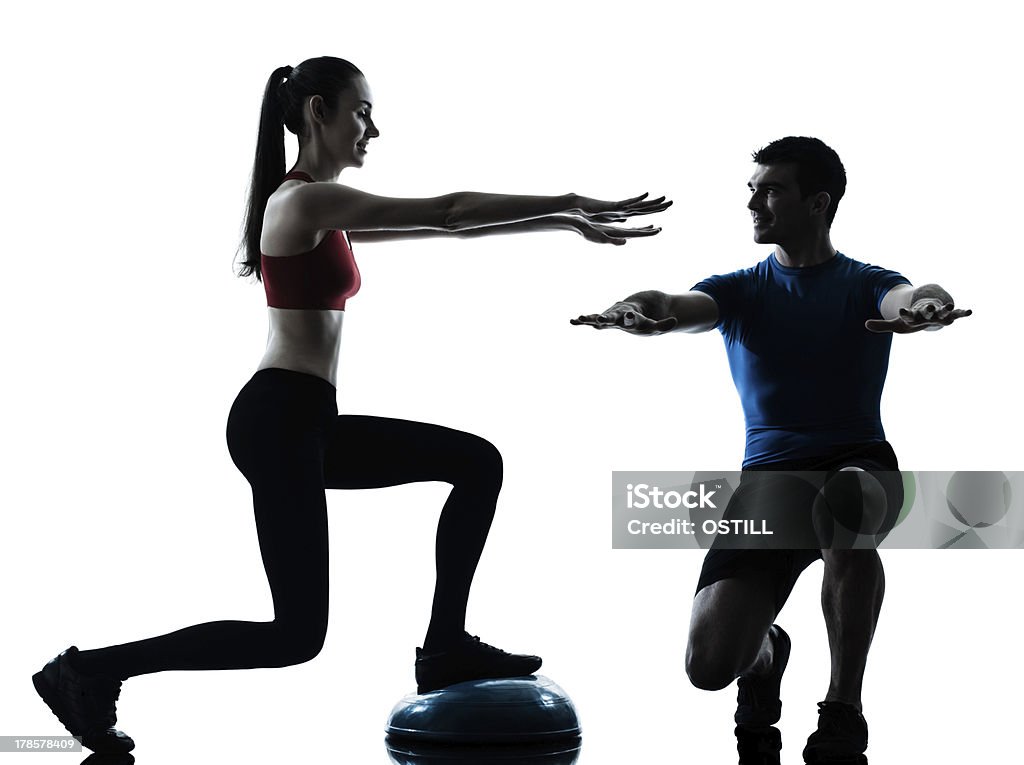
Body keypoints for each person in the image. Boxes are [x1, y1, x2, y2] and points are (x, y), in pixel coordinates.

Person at [32, 56, 671, 755]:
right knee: (294, 636)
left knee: (475, 462)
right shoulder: (301, 202)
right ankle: (89, 671)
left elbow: (442, 227)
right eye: (361, 111)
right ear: (317, 113)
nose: (372, 127)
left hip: (306, 420)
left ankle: (445, 645)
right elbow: (449, 213)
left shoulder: (320, 209)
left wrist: (561, 218)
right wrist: (567, 203)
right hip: (279, 420)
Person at [571, 136, 970, 764]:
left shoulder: (867, 283)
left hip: (856, 461)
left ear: (818, 204)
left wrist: (927, 308)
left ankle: (842, 711)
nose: (754, 202)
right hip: (770, 482)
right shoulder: (738, 291)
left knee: (848, 501)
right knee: (708, 667)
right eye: (752, 189)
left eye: (772, 189)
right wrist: (634, 308)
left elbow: (911, 295)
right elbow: (678, 305)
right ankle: (766, 651)